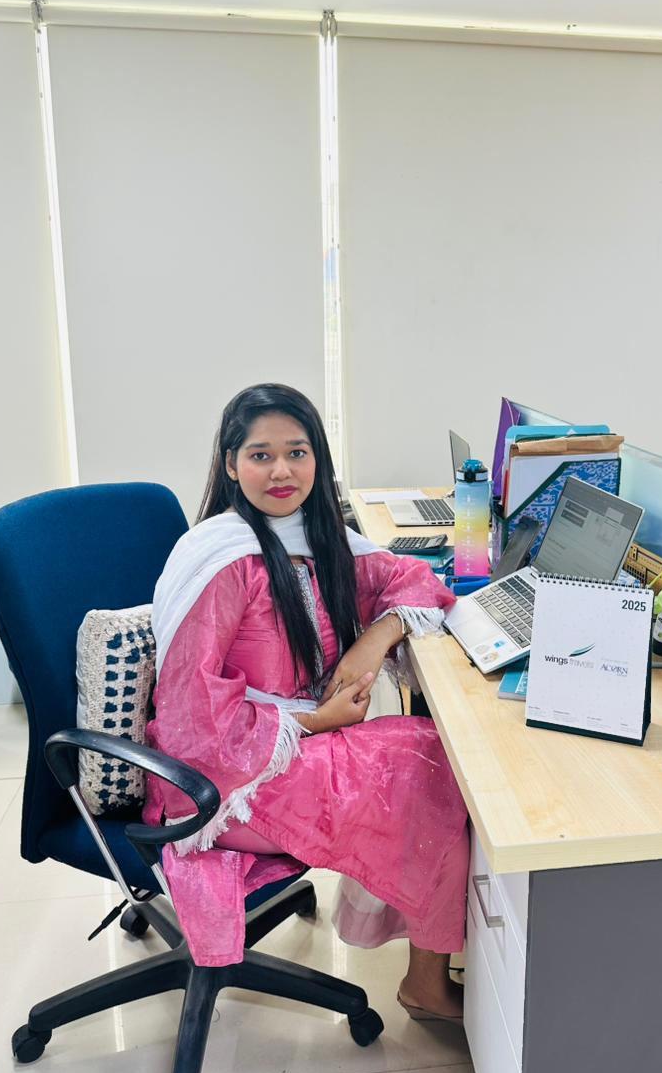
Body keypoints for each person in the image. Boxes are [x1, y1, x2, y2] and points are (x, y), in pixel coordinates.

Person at [144, 383, 468, 1021]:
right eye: (261, 455)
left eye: (297, 451)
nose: (282, 470)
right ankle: (426, 982)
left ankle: (435, 954)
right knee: (434, 772)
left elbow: (414, 580)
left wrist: (373, 641)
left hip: (288, 753)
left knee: (431, 753)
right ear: (232, 465)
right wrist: (316, 719)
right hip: (221, 784)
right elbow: (193, 722)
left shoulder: (320, 541)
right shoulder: (225, 559)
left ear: (319, 459)